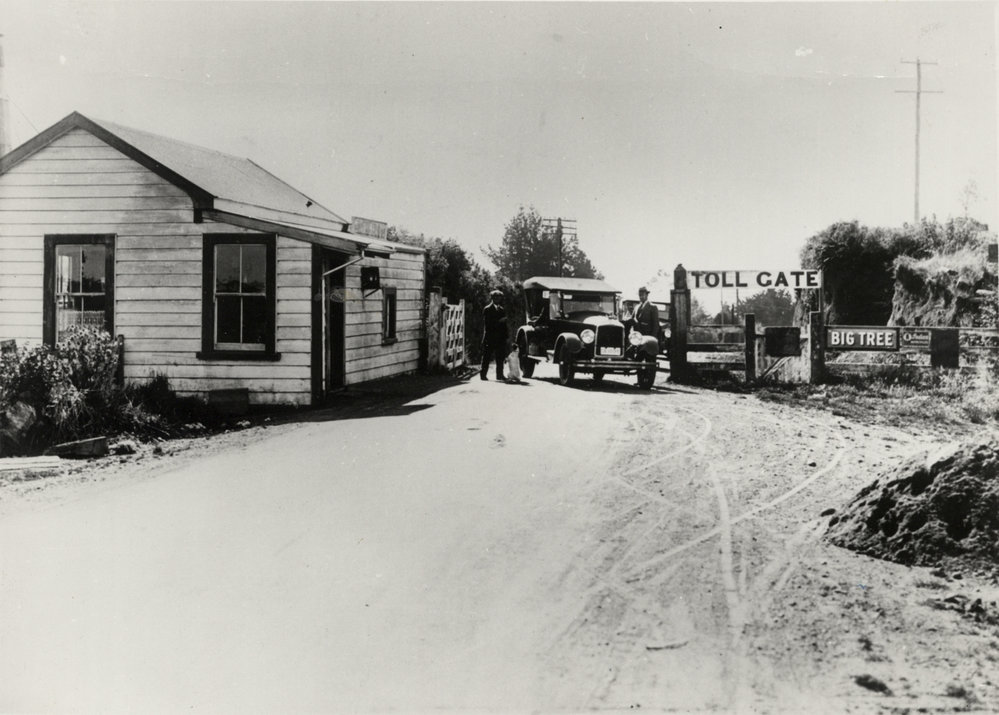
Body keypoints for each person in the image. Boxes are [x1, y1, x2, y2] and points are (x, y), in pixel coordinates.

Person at [480, 289, 507, 381]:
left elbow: (504, 326)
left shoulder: (501, 309)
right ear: (492, 298)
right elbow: (488, 324)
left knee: (500, 357)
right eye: (495, 297)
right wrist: (499, 321)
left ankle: (499, 375)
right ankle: (483, 375)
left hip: (500, 338)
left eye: (499, 297)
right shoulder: (487, 309)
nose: (497, 299)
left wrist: (505, 337)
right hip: (490, 337)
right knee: (486, 357)